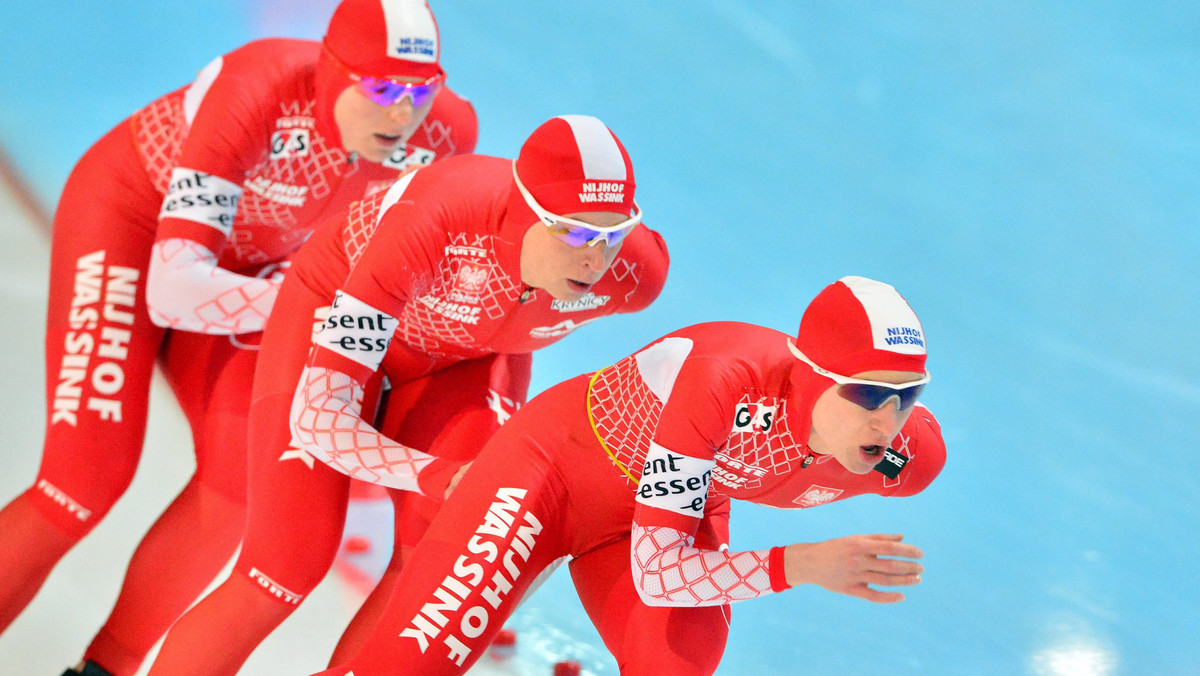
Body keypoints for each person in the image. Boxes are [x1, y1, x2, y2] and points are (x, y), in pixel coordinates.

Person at [0, 2, 478, 675]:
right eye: (382, 90)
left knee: (237, 488)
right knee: (82, 480)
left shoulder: (446, 135)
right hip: (134, 228)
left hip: (255, 269)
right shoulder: (256, 89)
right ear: (333, 75)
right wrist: (308, 309)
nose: (403, 115)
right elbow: (174, 288)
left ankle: (103, 670)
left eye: (420, 90)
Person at [145, 114, 671, 675]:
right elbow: (321, 419)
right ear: (525, 214)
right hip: (333, 312)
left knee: (435, 559)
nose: (595, 259)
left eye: (612, 234)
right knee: (286, 562)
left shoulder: (636, 276)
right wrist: (434, 473)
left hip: (470, 361)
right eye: (573, 233)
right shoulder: (432, 220)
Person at [305, 275, 947, 676]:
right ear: (812, 380)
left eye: (907, 396)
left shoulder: (907, 459)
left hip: (675, 512)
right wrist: (799, 566)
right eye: (867, 396)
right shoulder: (726, 380)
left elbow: (661, 565)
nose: (887, 422)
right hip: (551, 477)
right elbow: (659, 573)